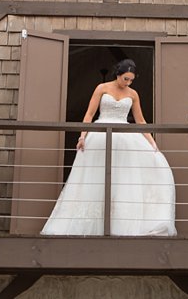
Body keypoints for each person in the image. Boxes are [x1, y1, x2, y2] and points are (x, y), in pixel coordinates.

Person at [40, 59, 177, 236]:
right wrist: (82, 136)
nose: (128, 83)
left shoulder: (133, 94)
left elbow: (140, 120)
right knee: (96, 177)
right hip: (100, 134)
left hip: (124, 136)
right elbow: (89, 115)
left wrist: (152, 142)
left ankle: (121, 222)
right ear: (118, 74)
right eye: (126, 79)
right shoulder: (102, 88)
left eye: (131, 80)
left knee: (123, 178)